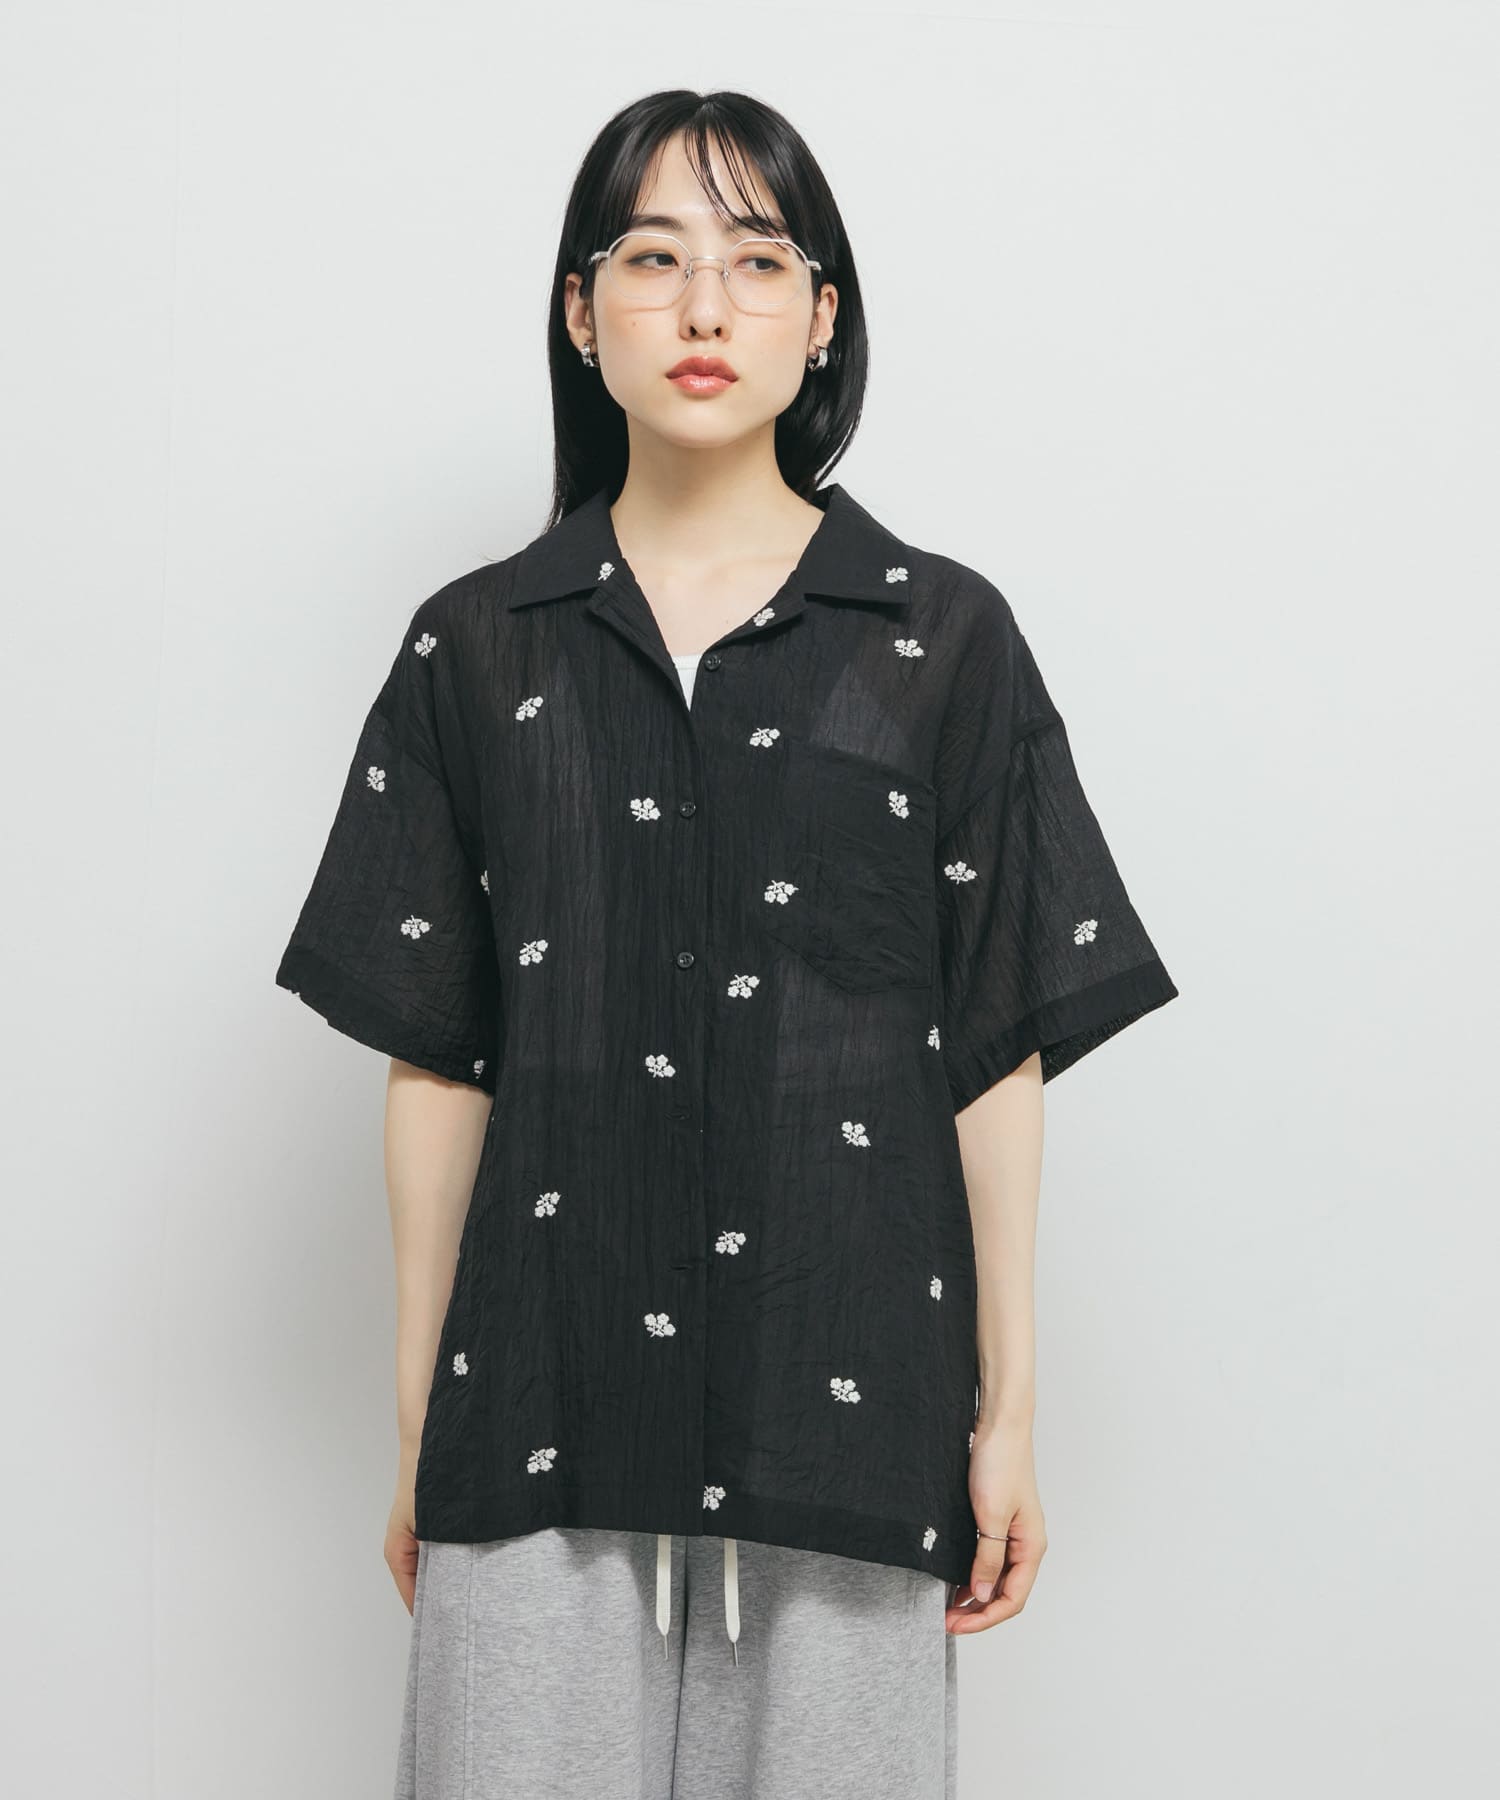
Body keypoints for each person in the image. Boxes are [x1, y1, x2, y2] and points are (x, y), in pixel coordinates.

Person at [274, 90, 1179, 1800]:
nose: (705, 307)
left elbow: (995, 1046)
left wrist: (1007, 1414)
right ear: (581, 310)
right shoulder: (474, 646)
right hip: (534, 1406)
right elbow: (437, 1056)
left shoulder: (941, 640)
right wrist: (417, 1426)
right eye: (653, 258)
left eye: (759, 263)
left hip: (850, 1411)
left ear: (821, 316)